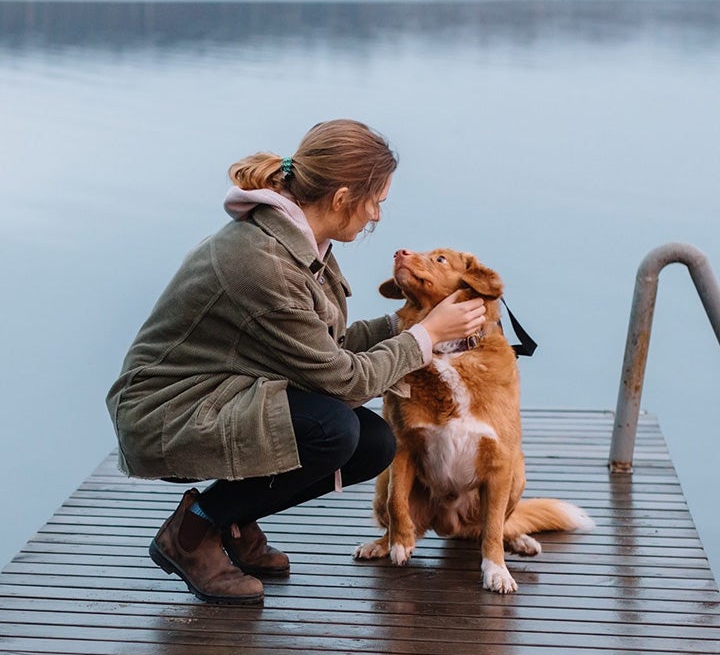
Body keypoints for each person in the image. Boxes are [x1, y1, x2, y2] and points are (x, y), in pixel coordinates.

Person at [106, 119, 486, 605]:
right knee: (334, 430)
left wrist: (405, 325)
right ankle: (193, 531)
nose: (375, 216)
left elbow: (329, 344)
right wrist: (425, 336)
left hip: (227, 390)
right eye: (376, 202)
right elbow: (343, 381)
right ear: (343, 197)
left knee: (372, 443)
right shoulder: (262, 259)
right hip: (168, 411)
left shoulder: (303, 242)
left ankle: (233, 520)